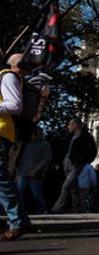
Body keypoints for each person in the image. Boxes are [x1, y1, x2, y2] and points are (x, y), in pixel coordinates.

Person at [0, 53, 30, 240]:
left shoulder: (8, 76)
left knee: (1, 179)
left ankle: (18, 221)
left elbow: (14, 105)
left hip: (1, 132)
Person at [51, 117, 98, 213]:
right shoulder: (68, 137)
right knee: (73, 188)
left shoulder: (86, 137)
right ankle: (76, 209)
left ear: (75, 125)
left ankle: (57, 208)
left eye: (70, 125)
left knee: (66, 186)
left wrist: (83, 161)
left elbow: (92, 151)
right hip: (66, 163)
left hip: (77, 164)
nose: (68, 127)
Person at [15, 127, 52, 214]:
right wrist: (17, 173)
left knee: (37, 194)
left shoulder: (45, 144)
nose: (31, 136)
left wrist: (38, 170)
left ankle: (42, 209)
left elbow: (46, 159)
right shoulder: (27, 145)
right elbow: (21, 160)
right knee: (19, 193)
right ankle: (19, 210)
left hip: (35, 174)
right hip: (23, 173)